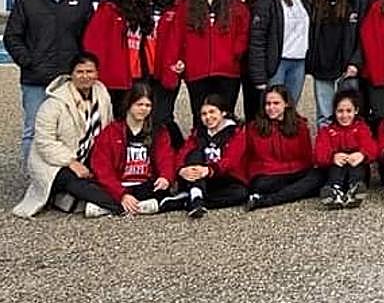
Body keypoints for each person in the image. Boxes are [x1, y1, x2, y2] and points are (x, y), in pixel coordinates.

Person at [5, 0, 93, 166]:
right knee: (34, 130)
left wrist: (83, 68)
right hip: (35, 79)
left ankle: (66, 179)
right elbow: (12, 36)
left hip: (69, 79)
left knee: (70, 129)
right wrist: (27, 60)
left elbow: (89, 39)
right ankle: (35, 179)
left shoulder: (81, 1)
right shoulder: (25, 1)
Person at [13, 53, 113, 219]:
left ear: (97, 74)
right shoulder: (53, 104)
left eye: (90, 71)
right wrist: (71, 162)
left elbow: (107, 127)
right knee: (77, 182)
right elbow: (44, 143)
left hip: (87, 156)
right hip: (53, 163)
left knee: (107, 178)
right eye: (80, 72)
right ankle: (117, 205)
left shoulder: (102, 96)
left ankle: (72, 201)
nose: (85, 76)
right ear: (71, 74)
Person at [88, 82, 184, 217]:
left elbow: (166, 157)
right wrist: (122, 194)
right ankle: (141, 206)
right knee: (92, 188)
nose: (143, 109)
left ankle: (112, 208)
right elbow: (102, 167)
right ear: (129, 104)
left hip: (146, 184)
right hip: (119, 184)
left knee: (162, 190)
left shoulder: (159, 131)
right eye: (139, 104)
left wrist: (165, 177)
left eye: (148, 105)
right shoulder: (111, 132)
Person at [175, 0, 250, 126]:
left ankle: (225, 147)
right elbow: (178, 35)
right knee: (200, 114)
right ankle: (201, 147)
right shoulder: (186, 6)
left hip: (227, 71)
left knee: (225, 113)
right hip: (197, 70)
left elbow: (244, 33)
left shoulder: (236, 7)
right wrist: (181, 58)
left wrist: (235, 53)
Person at [82, 0, 153, 112]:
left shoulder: (145, 11)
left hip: (139, 74)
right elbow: (93, 42)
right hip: (114, 75)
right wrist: (96, 71)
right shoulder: (109, 9)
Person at [244, 85, 322, 211]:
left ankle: (267, 200)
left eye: (276, 103)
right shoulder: (254, 127)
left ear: (286, 104)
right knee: (260, 185)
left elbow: (307, 156)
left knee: (319, 176)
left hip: (297, 171)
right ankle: (291, 193)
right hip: (269, 174)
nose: (271, 108)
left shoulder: (300, 125)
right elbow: (249, 156)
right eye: (268, 104)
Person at [248, 0, 312, 110]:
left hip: (299, 62)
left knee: (290, 106)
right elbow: (257, 39)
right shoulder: (266, 0)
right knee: (273, 108)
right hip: (277, 62)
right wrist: (259, 75)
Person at [308, 0, 363, 127]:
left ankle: (348, 149)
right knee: (325, 115)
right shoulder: (316, 1)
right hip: (322, 64)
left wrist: (356, 61)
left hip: (347, 65)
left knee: (348, 112)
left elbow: (363, 35)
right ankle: (326, 150)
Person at [176, 94, 249, 216]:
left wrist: (210, 170)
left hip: (222, 177)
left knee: (241, 193)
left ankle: (190, 200)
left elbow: (231, 160)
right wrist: (180, 170)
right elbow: (182, 153)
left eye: (212, 112)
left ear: (223, 112)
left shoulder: (236, 132)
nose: (208, 117)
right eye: (204, 114)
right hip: (198, 178)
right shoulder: (198, 132)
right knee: (195, 153)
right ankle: (196, 195)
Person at [314, 89, 378, 209]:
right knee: (336, 164)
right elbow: (319, 153)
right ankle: (334, 191)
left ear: (356, 111)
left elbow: (373, 147)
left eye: (349, 111)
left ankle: (355, 189)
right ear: (334, 111)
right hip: (337, 171)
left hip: (357, 170)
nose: (344, 116)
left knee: (356, 163)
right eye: (340, 111)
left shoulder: (361, 128)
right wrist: (332, 157)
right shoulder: (327, 131)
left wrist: (362, 154)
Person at [145, 0, 186, 135]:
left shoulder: (178, 7)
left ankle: (176, 149)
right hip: (145, 69)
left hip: (167, 68)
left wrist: (182, 60)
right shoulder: (141, 8)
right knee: (145, 114)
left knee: (162, 116)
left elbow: (186, 38)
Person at [228, 0, 260, 115]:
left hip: (251, 60)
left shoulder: (257, 2)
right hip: (230, 60)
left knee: (253, 105)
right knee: (227, 104)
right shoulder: (224, 3)